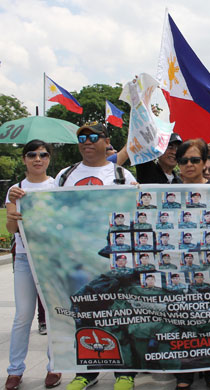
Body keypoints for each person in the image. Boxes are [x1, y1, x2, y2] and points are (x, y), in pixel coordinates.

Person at [47, 122, 135, 390]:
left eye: (93, 136)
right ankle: (87, 371)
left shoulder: (122, 176)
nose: (87, 141)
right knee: (83, 315)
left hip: (115, 259)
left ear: (106, 141)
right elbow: (47, 206)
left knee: (122, 316)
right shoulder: (65, 175)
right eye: (82, 137)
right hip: (78, 258)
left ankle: (125, 372)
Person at [5, 140, 62, 390]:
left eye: (43, 154)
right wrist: (13, 215)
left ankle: (54, 366)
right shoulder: (15, 189)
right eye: (32, 154)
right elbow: (11, 230)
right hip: (25, 258)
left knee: (53, 314)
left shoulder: (58, 185)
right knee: (22, 316)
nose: (37, 159)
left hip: (50, 256)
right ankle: (15, 370)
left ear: (49, 159)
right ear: (24, 159)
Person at [175, 138, 210, 389]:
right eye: (184, 160)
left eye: (195, 159)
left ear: (205, 162)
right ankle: (185, 371)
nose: (190, 164)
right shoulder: (167, 192)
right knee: (184, 320)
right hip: (181, 270)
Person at [115, 132, 183, 184]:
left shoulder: (181, 182)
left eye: (178, 149)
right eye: (170, 147)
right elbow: (140, 137)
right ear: (159, 149)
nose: (174, 152)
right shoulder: (147, 168)